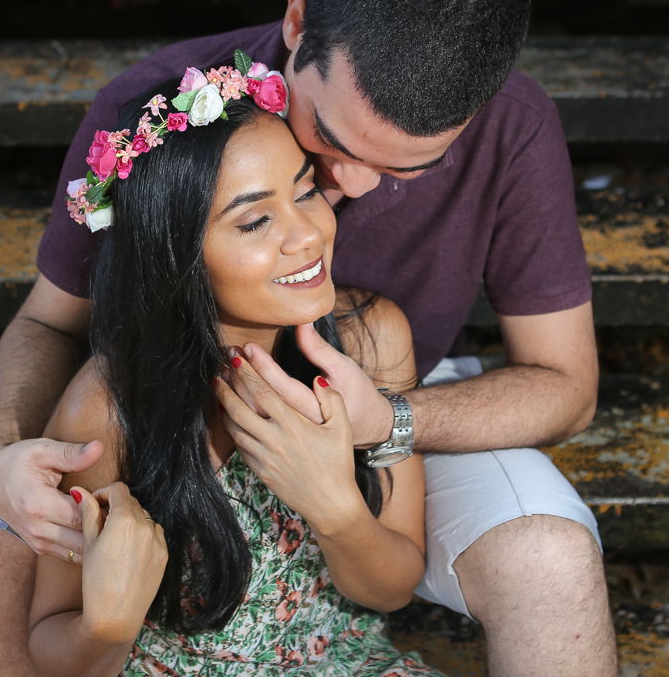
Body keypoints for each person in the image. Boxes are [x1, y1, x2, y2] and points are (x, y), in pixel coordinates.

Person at [0, 0, 617, 677]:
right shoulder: (161, 117)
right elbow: (53, 324)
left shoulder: (510, 128)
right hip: (164, 399)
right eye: (329, 137)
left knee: (552, 555)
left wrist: (385, 422)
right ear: (297, 23)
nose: (346, 188)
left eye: (408, 168)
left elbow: (567, 386)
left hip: (400, 402)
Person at [25, 66, 442, 675]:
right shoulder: (109, 408)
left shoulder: (371, 338)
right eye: (254, 221)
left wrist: (335, 508)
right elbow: (49, 642)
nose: (306, 235)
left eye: (304, 193)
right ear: (177, 254)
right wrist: (103, 627)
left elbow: (390, 589)